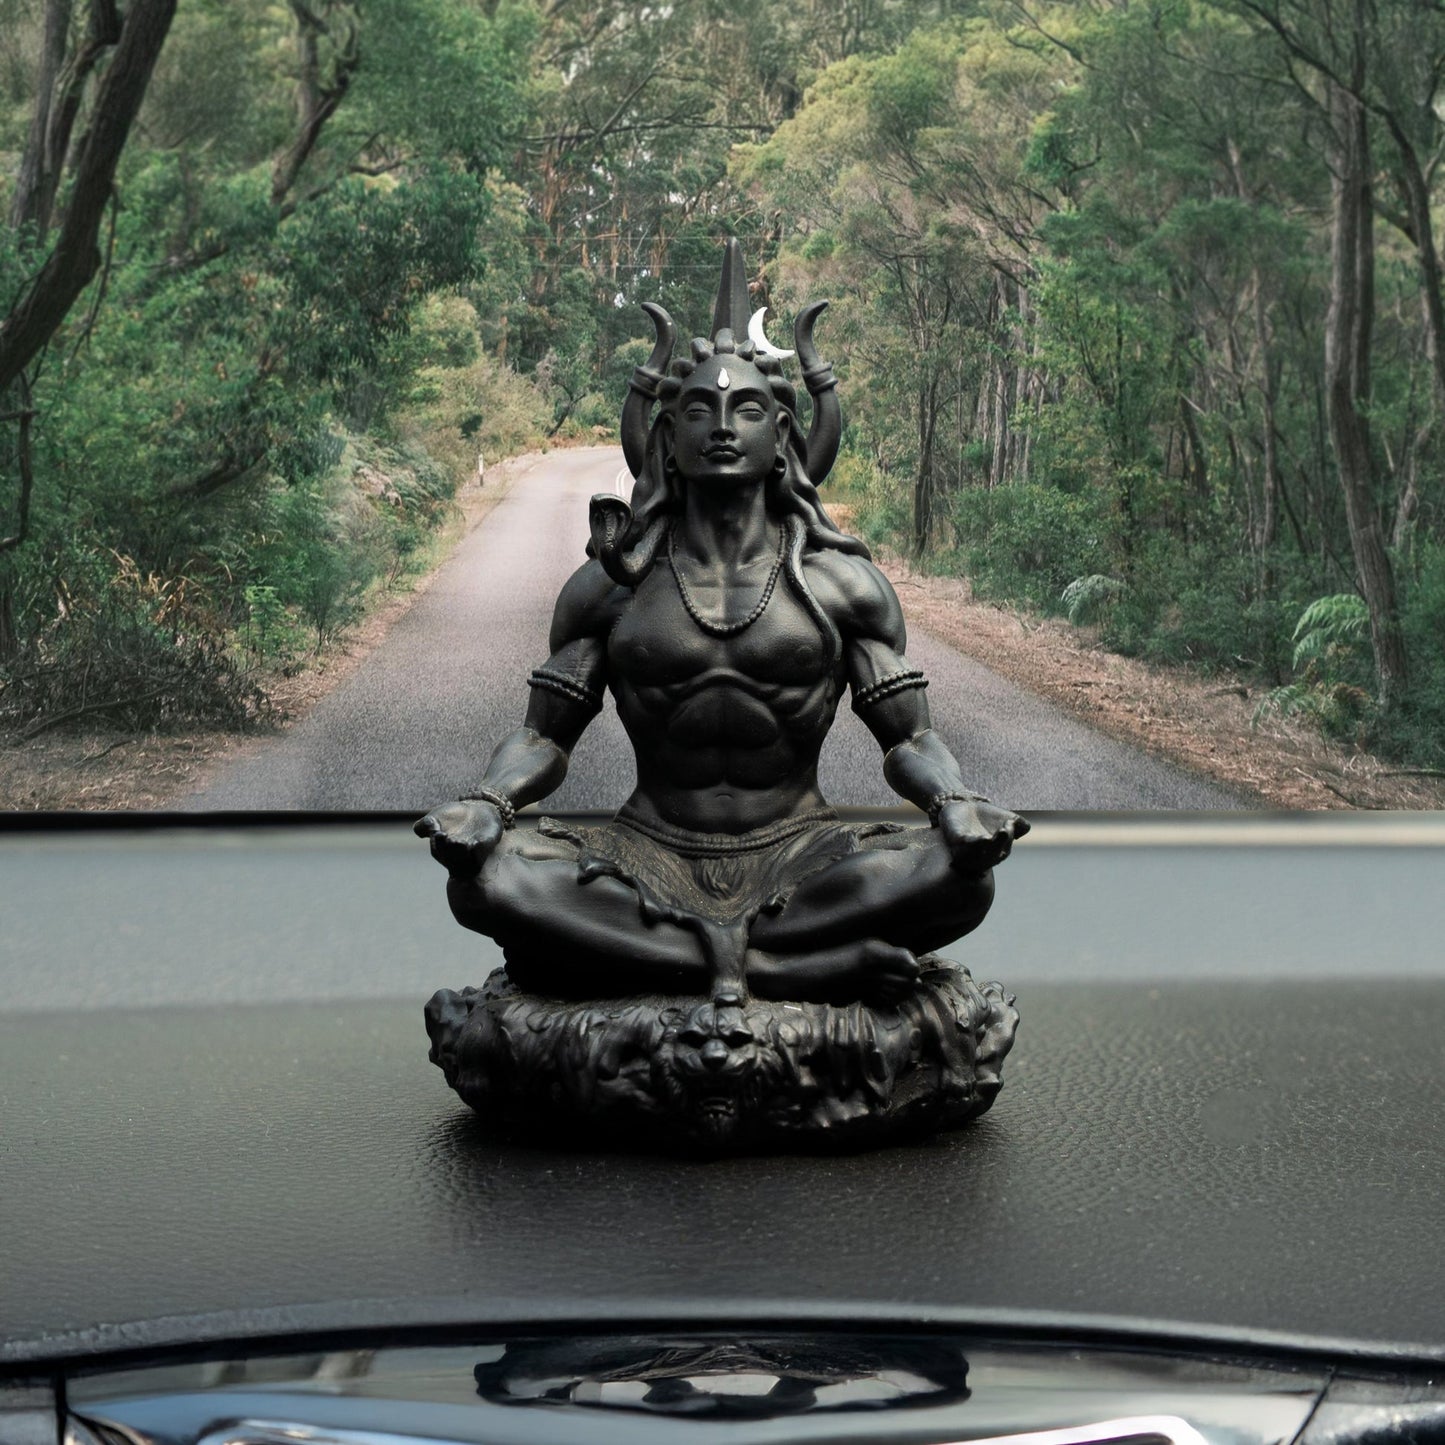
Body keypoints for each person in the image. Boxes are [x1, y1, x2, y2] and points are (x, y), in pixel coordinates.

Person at [417, 242, 1027, 1006]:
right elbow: (544, 735)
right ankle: (782, 970)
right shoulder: (608, 589)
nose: (721, 426)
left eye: (745, 410)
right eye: (698, 409)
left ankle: (653, 963)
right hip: (644, 851)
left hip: (803, 854)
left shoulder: (844, 586)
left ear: (782, 437)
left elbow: (907, 737)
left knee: (960, 879)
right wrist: (487, 802)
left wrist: (954, 803)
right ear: (667, 437)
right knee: (484, 881)